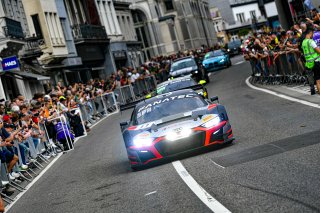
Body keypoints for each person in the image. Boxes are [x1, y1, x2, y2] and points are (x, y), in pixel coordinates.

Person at [301, 27, 320, 95]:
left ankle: (315, 90)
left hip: (309, 63)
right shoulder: (311, 41)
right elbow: (318, 51)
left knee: (314, 77)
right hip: (316, 61)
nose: (313, 35)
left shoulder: (303, 42)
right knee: (318, 79)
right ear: (310, 33)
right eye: (313, 34)